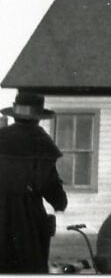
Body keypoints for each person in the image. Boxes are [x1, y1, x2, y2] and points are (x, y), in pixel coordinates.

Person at [0, 92, 68, 274]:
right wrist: (60, 202)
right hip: (27, 218)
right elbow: (53, 190)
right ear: (38, 118)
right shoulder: (41, 142)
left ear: (15, 114)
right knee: (28, 266)